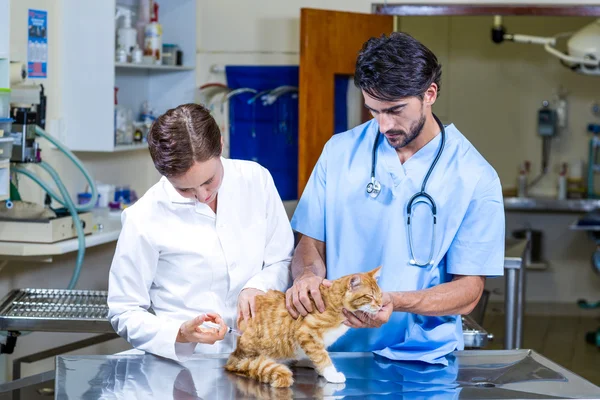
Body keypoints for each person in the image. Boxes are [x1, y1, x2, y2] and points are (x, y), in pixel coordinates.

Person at [286, 32, 505, 365]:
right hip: (332, 352)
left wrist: (395, 300)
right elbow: (310, 242)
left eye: (395, 110)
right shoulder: (339, 152)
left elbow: (469, 291)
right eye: (373, 111)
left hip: (422, 360)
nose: (384, 124)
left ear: (429, 94)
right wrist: (306, 277)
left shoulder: (475, 177)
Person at [107, 103, 294, 362]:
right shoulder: (144, 217)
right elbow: (124, 311)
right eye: (185, 190)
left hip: (260, 358)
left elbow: (283, 260)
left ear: (220, 143)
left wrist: (257, 287)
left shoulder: (255, 180)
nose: (203, 196)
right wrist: (179, 333)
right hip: (185, 364)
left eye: (209, 181)